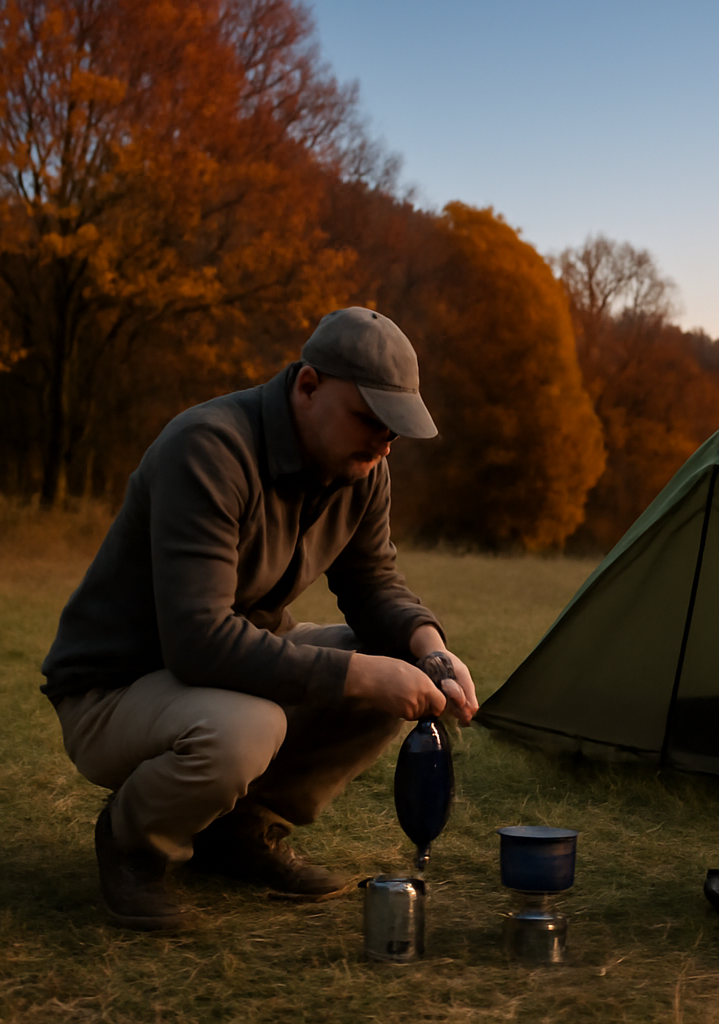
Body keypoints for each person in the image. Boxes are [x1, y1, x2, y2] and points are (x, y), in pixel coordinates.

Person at [40, 307, 478, 932]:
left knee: (401, 668)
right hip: (115, 688)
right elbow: (197, 642)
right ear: (307, 386)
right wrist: (357, 674)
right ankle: (133, 842)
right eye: (368, 419)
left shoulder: (362, 464)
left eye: (394, 433)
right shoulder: (210, 447)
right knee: (246, 727)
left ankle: (236, 833)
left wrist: (429, 650)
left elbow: (374, 583)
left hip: (226, 668)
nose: (383, 445)